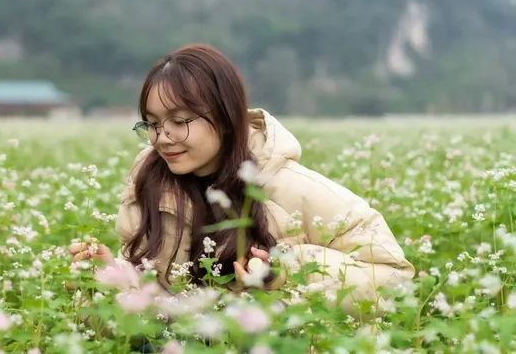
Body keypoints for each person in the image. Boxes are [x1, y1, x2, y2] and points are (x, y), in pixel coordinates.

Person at [69, 43, 415, 320]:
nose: (163, 137)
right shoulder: (150, 187)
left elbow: (395, 279)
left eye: (180, 121)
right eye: (153, 124)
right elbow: (162, 312)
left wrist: (283, 271)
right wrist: (112, 276)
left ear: (223, 116)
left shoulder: (290, 187)